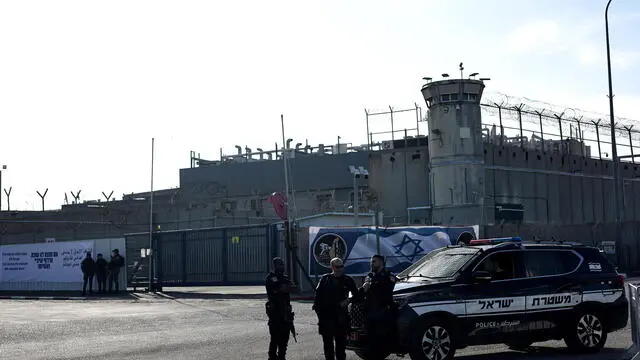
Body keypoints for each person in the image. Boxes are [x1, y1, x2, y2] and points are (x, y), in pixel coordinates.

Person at [313, 257, 359, 360]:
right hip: (326, 318)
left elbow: (356, 295)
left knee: (340, 348)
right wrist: (320, 314)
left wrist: (348, 300)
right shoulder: (325, 279)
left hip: (340, 318)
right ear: (332, 267)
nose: (340, 269)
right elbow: (318, 298)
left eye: (342, 266)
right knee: (328, 347)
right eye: (338, 266)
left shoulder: (347, 280)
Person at [360, 254, 396, 359]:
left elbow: (388, 291)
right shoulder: (369, 276)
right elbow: (364, 293)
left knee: (380, 340)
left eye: (374, 261)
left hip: (382, 311)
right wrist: (365, 287)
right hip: (370, 312)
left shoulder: (388, 276)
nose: (372, 264)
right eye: (371, 261)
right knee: (369, 340)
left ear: (381, 262)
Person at [265, 257, 292, 360]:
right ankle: (272, 356)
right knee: (275, 337)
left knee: (285, 337)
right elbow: (280, 288)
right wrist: (283, 288)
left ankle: (282, 356)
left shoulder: (284, 278)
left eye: (282, 264)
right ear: (275, 266)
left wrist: (283, 288)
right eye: (279, 264)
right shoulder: (270, 278)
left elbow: (292, 287)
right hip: (275, 311)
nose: (282, 266)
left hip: (286, 311)